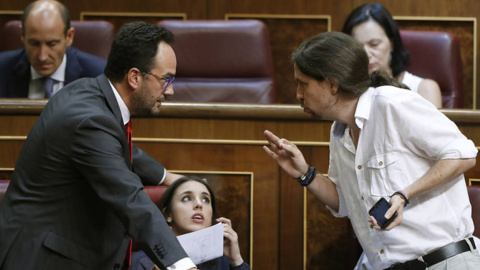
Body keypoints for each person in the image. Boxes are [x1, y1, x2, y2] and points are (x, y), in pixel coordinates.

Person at [263, 31, 480, 270]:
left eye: (302, 84)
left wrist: (403, 194)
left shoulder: (392, 104)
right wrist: (304, 173)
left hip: (444, 262)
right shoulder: (340, 132)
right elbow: (344, 202)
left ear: (332, 84)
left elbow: (463, 154)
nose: (298, 96)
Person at [0, 21, 198, 270]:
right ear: (135, 77)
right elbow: (131, 200)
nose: (169, 91)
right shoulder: (90, 121)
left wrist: (165, 176)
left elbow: (116, 150)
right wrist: (182, 266)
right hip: (41, 258)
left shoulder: (90, 93)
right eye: (165, 80)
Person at [131, 176, 250, 270]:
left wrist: (236, 261)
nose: (199, 204)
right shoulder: (141, 261)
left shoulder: (222, 261)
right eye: (186, 198)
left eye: (205, 199)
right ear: (168, 214)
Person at [342, 3, 443, 108]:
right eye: (358, 47)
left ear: (392, 44)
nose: (366, 54)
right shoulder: (345, 91)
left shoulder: (423, 88)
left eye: (374, 44)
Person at [0, 0, 106, 98]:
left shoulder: (99, 76)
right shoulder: (2, 69)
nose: (42, 57)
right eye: (34, 43)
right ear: (22, 35)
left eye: (52, 44)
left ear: (69, 36)